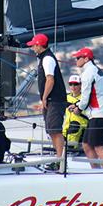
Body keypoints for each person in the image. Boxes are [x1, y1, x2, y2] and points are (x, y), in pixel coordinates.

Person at [26, 33, 68, 165]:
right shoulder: (44, 58)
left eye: (34, 45)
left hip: (55, 100)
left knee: (55, 130)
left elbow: (50, 79)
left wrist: (44, 97)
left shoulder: (47, 59)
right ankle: (58, 159)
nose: (32, 48)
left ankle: (60, 160)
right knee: (51, 130)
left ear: (39, 45)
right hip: (52, 100)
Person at [70, 47, 103, 169]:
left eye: (78, 58)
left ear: (86, 58)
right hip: (98, 114)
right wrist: (78, 105)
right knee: (86, 145)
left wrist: (78, 108)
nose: (76, 60)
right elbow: (90, 96)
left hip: (100, 114)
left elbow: (85, 97)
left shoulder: (88, 72)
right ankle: (96, 171)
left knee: (98, 146)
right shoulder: (94, 70)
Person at [62, 75, 88, 148]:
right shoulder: (66, 98)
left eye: (76, 84)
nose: (73, 86)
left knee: (71, 146)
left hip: (80, 126)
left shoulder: (85, 98)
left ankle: (72, 151)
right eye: (71, 84)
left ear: (80, 85)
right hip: (66, 127)